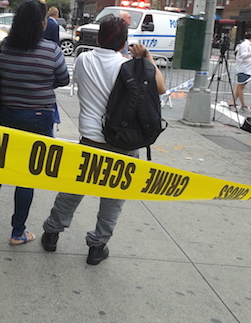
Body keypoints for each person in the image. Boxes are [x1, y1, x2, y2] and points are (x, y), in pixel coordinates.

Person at [41, 16, 166, 265]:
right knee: (113, 199)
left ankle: (52, 233)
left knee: (73, 189)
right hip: (123, 144)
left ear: (98, 38)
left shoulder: (83, 60)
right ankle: (97, 247)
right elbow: (160, 88)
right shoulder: (130, 66)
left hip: (90, 139)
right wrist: (146, 58)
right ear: (124, 43)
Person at [0, 0, 69, 244]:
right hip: (40, 117)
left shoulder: (7, 46)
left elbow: (2, 74)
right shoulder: (51, 50)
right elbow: (63, 79)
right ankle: (18, 232)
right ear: (42, 23)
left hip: (9, 114)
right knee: (26, 176)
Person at [230, 31, 251, 110]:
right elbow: (243, 56)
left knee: (239, 86)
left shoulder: (249, 46)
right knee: (241, 87)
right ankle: (243, 104)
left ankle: (232, 102)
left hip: (247, 69)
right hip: (243, 69)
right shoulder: (244, 45)